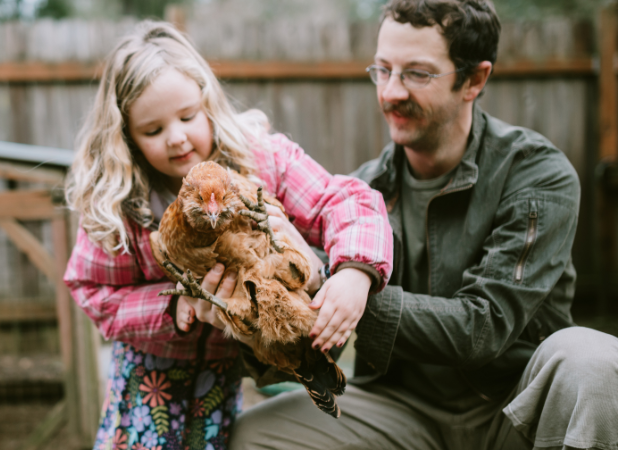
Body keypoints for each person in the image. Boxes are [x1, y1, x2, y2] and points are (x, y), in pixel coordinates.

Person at [230, 1, 618, 449]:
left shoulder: (537, 174)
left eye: (417, 73)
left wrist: (345, 286)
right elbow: (315, 346)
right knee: (256, 434)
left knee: (595, 360)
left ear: (474, 79)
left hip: (512, 408)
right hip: (401, 409)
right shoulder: (360, 196)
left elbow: (483, 327)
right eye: (383, 69)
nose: (391, 91)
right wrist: (251, 302)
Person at [63, 21, 394, 450]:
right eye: (153, 130)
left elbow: (346, 201)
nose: (177, 137)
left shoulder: (259, 159)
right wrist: (175, 308)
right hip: (146, 382)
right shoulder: (120, 200)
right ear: (126, 135)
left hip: (219, 382)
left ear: (208, 102)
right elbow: (91, 289)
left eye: (187, 116)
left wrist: (354, 271)